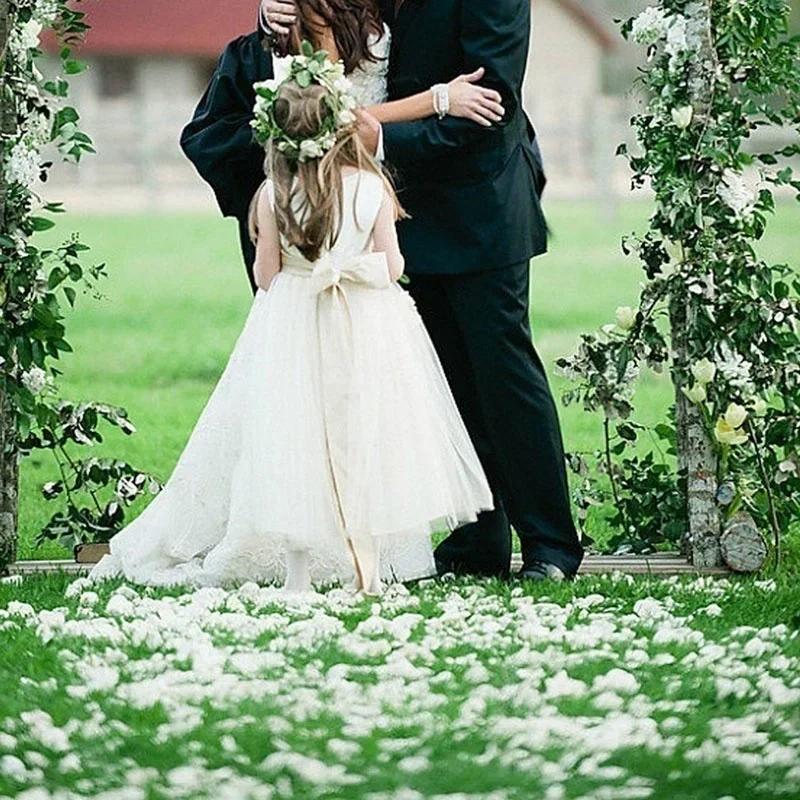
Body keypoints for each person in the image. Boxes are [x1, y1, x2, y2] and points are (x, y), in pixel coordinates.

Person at [184, 0, 585, 582]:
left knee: (502, 373)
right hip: (390, 213)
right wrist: (273, 15)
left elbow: (492, 101)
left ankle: (550, 544)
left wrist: (374, 142)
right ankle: (477, 538)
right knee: (436, 381)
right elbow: (324, 35)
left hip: (478, 208)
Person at [91, 51, 493, 593]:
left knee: (292, 438)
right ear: (343, 124)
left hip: (294, 326)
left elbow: (265, 277)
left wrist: (310, 271)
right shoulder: (372, 190)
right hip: (365, 325)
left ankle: (299, 570)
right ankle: (368, 565)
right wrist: (354, 271)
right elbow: (395, 265)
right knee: (364, 435)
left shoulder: (270, 196)